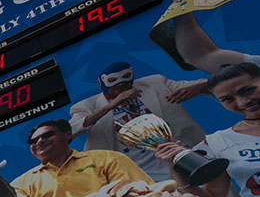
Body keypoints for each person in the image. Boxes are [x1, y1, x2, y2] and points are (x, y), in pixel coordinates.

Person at [69, 61, 207, 181]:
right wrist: (111, 105)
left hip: (181, 154)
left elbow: (206, 84)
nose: (122, 88)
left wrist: (199, 87)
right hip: (141, 170)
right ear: (103, 84)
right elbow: (71, 130)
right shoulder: (86, 106)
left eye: (125, 84)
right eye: (115, 86)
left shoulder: (155, 83)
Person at [155, 62, 260, 197]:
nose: (243, 102)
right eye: (227, 99)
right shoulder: (219, 142)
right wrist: (176, 171)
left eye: (248, 90)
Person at [11, 120, 154, 197]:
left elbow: (143, 195)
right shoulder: (21, 184)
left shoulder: (108, 158)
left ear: (67, 135)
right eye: (33, 141)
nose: (40, 141)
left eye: (47, 135)